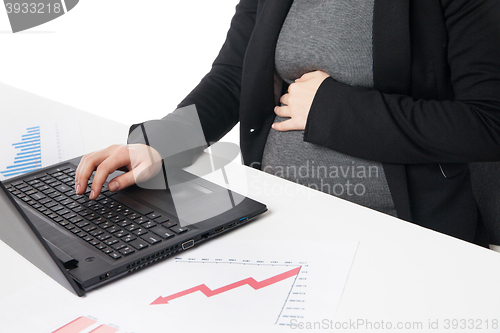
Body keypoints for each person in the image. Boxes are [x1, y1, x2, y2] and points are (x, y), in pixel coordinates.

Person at [75, 0, 500, 247]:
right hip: (272, 217)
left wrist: (332, 110)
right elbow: (231, 78)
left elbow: (488, 123)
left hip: (396, 233)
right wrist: (158, 144)